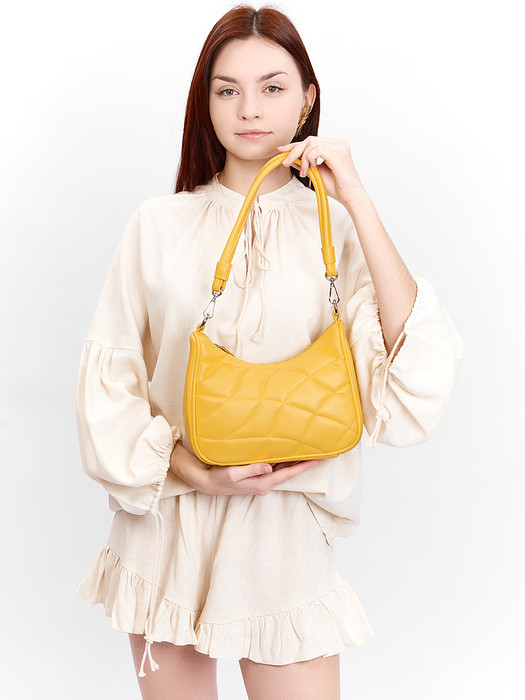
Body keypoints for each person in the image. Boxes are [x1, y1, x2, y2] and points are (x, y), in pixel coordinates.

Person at [75, 5, 463, 699]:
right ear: (205, 102)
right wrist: (195, 474)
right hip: (168, 527)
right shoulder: (158, 225)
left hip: (283, 535)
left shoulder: (336, 228)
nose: (249, 109)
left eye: (272, 87)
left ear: (307, 99)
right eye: (227, 89)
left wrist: (355, 197)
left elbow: (411, 377)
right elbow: (112, 388)